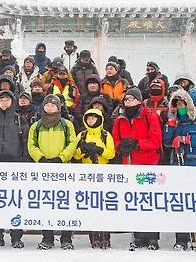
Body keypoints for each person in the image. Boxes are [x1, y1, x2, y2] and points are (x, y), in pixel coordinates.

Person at [163, 89, 196, 251]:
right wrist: (171, 123)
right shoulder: (175, 123)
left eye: (181, 104)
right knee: (180, 204)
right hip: (180, 167)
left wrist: (187, 139)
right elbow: (166, 141)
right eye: (175, 105)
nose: (179, 108)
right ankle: (181, 239)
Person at [112, 88, 162, 250]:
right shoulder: (120, 119)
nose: (128, 102)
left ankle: (153, 237)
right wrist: (120, 148)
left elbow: (155, 141)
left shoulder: (150, 116)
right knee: (135, 202)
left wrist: (137, 144)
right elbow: (116, 140)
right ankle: (139, 236)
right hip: (129, 165)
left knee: (149, 202)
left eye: (132, 99)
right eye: (126, 99)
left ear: (140, 100)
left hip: (147, 165)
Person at [27, 95, 78, 250]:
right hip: (43, 170)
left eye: (53, 105)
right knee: (46, 204)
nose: (50, 108)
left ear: (58, 108)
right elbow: (31, 145)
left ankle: (66, 238)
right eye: (47, 105)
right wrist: (41, 158)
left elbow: (72, 143)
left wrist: (61, 158)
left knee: (64, 204)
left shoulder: (66, 124)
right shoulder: (36, 126)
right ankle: (47, 237)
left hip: (62, 169)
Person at [0, 90, 29, 249]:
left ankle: (16, 236)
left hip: (15, 163)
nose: (4, 102)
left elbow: (25, 143)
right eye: (1, 100)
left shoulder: (19, 119)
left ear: (12, 101)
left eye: (7, 100)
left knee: (15, 202)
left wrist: (25, 163)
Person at [74, 108, 115, 249]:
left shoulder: (105, 134)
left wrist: (99, 150)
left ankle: (105, 236)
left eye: (94, 118)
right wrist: (84, 151)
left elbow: (111, 154)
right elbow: (75, 154)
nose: (91, 121)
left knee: (104, 206)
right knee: (90, 206)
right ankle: (93, 236)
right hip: (87, 173)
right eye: (89, 118)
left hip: (103, 173)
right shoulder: (82, 135)